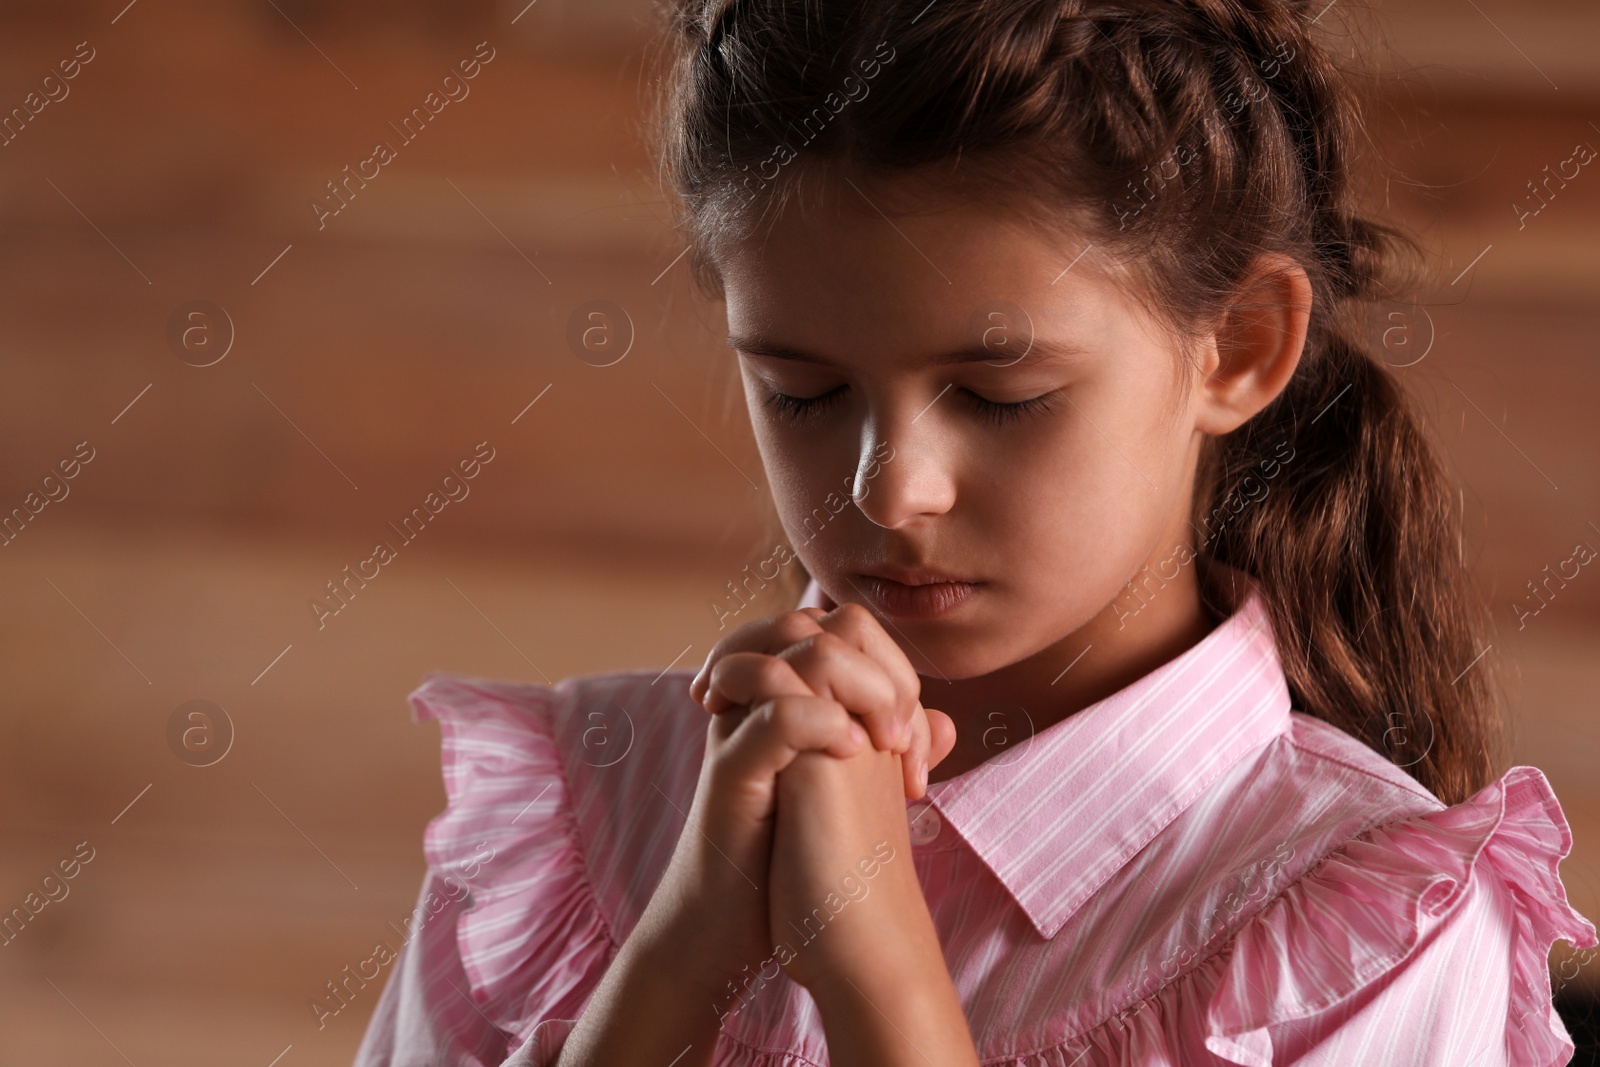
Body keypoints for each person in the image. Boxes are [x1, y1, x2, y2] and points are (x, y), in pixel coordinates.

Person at [351, 0, 1597, 1063]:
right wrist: (671, 967)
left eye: (1004, 397)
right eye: (801, 389)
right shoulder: (579, 806)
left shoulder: (1375, 946)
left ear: (1239, 345)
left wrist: (882, 986)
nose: (891, 491)